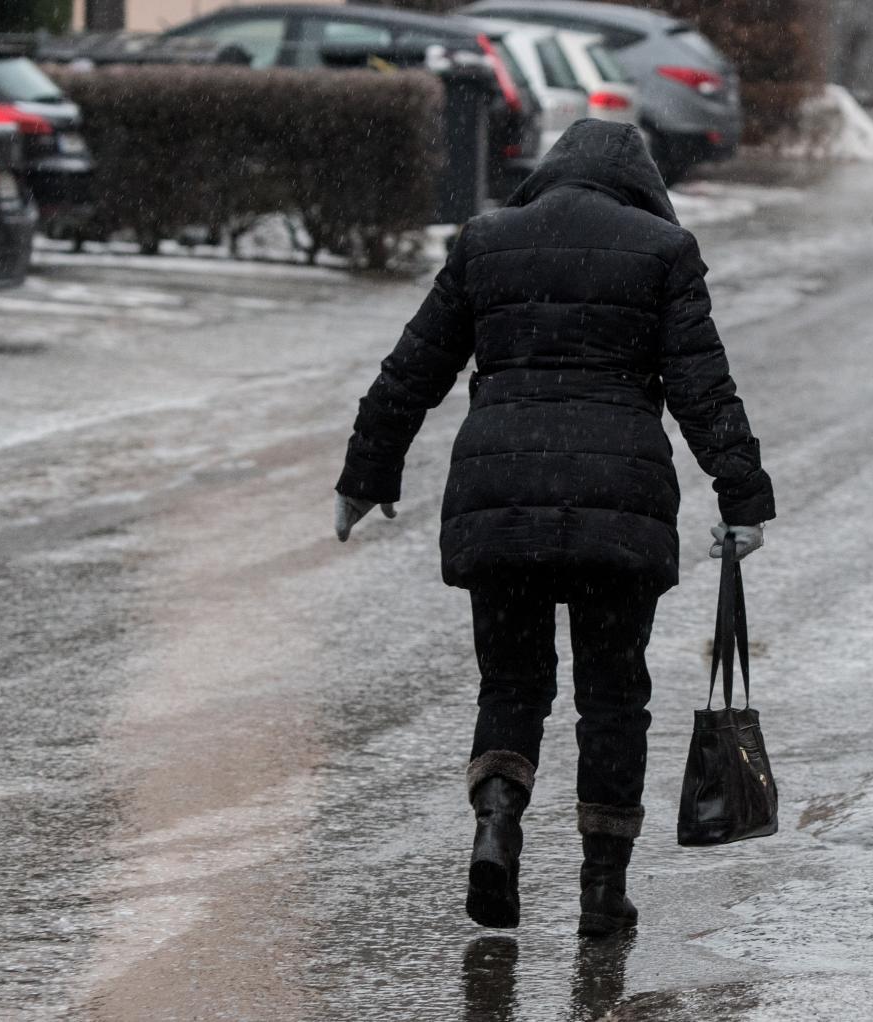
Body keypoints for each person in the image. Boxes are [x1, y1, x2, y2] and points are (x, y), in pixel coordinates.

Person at [332, 120, 776, 938]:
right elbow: (703, 388)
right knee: (613, 697)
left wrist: (366, 475)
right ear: (640, 183)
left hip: (502, 500)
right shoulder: (663, 250)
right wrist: (742, 496)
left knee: (511, 683)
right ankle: (603, 891)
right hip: (619, 506)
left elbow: (412, 369)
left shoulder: (487, 241)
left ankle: (497, 822)